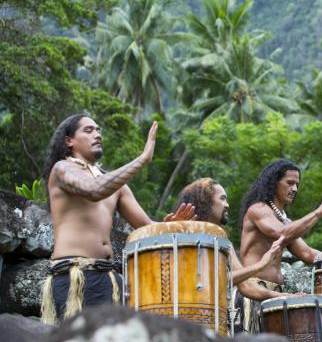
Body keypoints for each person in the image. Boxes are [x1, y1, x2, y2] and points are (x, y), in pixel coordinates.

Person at [40, 114, 195, 325]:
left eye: (98, 130)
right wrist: (142, 160)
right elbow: (94, 190)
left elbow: (147, 226)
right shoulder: (62, 169)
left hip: (109, 278)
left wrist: (173, 225)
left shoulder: (116, 185)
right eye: (88, 130)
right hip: (75, 276)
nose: (97, 134)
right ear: (69, 141)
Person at [237, 159, 322, 332]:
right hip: (253, 292)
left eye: (297, 184)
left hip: (277, 294)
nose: (295, 189)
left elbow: (307, 254)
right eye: (290, 183)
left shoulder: (285, 220)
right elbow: (282, 233)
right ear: (274, 183)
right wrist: (319, 213)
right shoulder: (258, 209)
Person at [174, 178, 291, 333]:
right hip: (188, 321)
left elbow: (247, 286)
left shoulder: (224, 242)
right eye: (222, 198)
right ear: (206, 202)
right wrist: (260, 265)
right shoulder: (185, 236)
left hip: (217, 322)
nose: (227, 205)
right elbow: (211, 281)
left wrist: (283, 296)